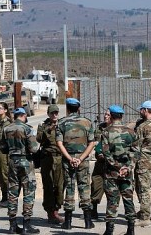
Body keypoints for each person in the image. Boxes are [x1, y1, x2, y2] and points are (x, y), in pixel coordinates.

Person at [56, 98, 95, 230]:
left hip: (68, 160)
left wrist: (69, 158)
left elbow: (59, 143)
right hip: (82, 160)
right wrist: (81, 158)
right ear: (78, 108)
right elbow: (91, 143)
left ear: (67, 108)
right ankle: (88, 222)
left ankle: (67, 222)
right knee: (84, 188)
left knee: (70, 188)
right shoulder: (87, 122)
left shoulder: (61, 122)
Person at [1, 107, 40, 234]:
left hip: (12, 162)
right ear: (23, 115)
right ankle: (26, 225)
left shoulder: (7, 129)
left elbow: (3, 148)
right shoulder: (28, 129)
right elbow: (34, 149)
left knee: (12, 193)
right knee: (28, 192)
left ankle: (12, 226)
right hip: (26, 162)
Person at [102, 105, 137, 235]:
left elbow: (106, 153)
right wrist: (127, 167)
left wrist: (117, 166)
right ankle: (131, 230)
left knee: (112, 200)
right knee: (128, 199)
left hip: (111, 172)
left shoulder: (106, 132)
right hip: (127, 173)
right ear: (122, 116)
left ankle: (109, 230)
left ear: (111, 115)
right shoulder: (131, 132)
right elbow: (136, 152)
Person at [36, 104, 64, 224]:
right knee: (48, 185)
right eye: (52, 113)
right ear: (48, 114)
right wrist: (48, 130)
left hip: (60, 158)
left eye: (56, 112)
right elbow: (38, 139)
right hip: (47, 158)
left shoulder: (62, 124)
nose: (54, 115)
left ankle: (57, 208)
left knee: (59, 185)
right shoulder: (43, 125)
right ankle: (51, 212)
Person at [90, 109, 111, 219]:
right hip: (100, 162)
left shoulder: (117, 129)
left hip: (111, 164)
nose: (105, 116)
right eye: (105, 114)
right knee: (96, 184)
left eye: (108, 114)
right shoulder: (99, 128)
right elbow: (95, 142)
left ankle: (110, 213)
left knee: (111, 189)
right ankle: (93, 209)